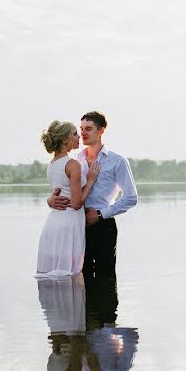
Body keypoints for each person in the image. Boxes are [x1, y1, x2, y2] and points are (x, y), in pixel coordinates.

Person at [48, 111, 137, 278]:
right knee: (81, 276)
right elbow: (64, 189)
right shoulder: (75, 160)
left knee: (106, 277)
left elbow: (131, 198)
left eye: (88, 129)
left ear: (101, 131)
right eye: (81, 129)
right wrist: (50, 200)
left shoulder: (117, 161)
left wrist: (100, 214)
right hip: (77, 225)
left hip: (103, 226)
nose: (83, 133)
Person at [35, 120, 100, 278]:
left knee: (53, 276)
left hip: (53, 224)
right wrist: (90, 180)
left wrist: (50, 200)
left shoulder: (52, 164)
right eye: (75, 133)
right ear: (64, 140)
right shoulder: (73, 164)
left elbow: (60, 191)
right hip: (68, 224)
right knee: (68, 274)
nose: (79, 136)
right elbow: (77, 203)